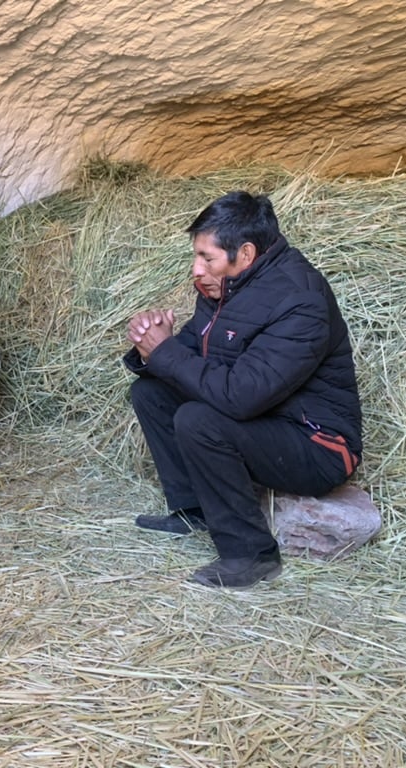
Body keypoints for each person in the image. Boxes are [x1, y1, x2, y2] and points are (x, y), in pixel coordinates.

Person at [125, 191, 362, 589]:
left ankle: (251, 555)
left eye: (207, 258)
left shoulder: (299, 301)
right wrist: (149, 347)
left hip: (318, 444)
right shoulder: (225, 289)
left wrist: (164, 353)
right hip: (266, 421)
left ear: (246, 253)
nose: (196, 269)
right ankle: (195, 509)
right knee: (151, 394)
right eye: (196, 256)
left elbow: (243, 395)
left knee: (199, 419)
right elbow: (188, 354)